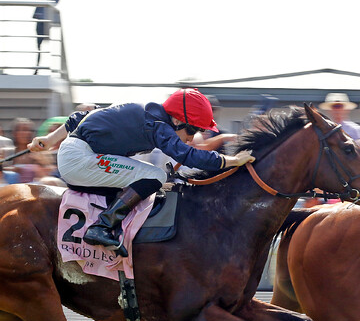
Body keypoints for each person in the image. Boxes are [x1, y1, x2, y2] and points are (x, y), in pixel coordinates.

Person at [28, 88, 255, 256]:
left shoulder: (146, 112)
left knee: (151, 180)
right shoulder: (157, 124)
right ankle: (102, 227)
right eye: (193, 129)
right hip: (80, 159)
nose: (191, 136)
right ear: (176, 119)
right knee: (155, 176)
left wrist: (49, 140)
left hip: (77, 156)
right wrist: (231, 160)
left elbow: (80, 115)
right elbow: (187, 155)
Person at [33, 0, 63, 74]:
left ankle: (50, 70)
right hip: (40, 18)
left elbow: (54, 2)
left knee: (49, 45)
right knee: (39, 45)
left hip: (48, 19)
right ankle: (37, 68)